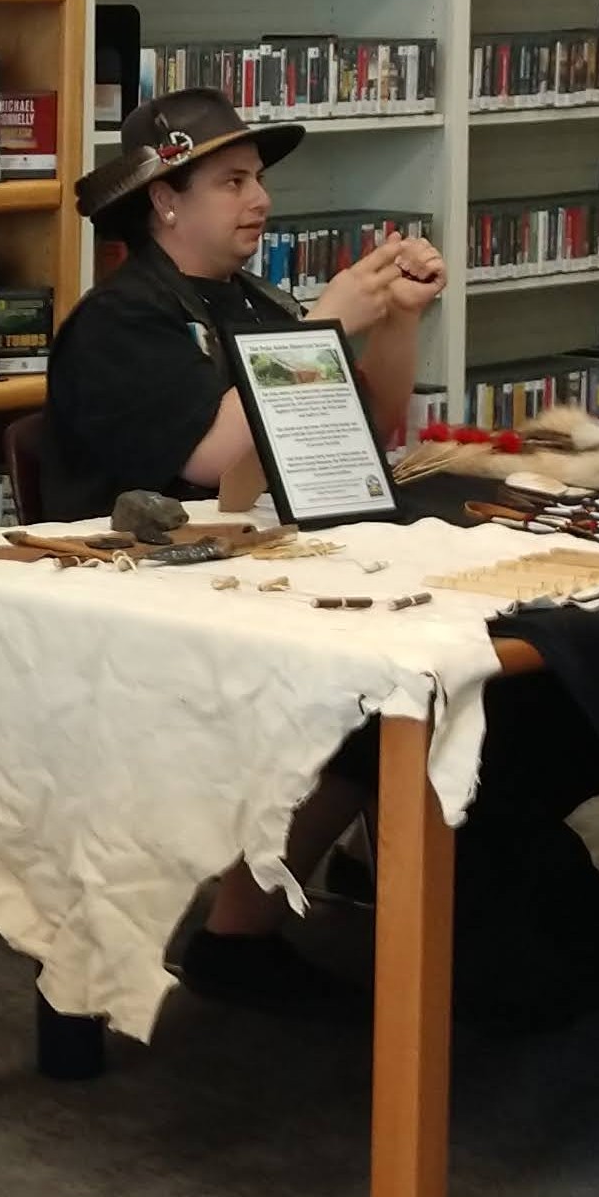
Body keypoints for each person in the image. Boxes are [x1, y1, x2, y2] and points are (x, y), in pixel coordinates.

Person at [41, 87, 444, 1011]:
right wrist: (327, 321)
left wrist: (399, 318)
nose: (259, 199)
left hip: (254, 581)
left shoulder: (256, 301)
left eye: (257, 178)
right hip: (145, 608)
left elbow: (371, 425)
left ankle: (252, 926)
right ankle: (243, 930)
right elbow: (209, 455)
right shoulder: (121, 321)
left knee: (400, 688)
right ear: (164, 200)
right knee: (370, 699)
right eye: (231, 181)